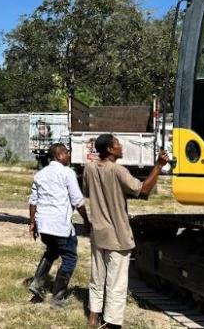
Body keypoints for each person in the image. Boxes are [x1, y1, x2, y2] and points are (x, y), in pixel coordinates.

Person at [83, 134, 169, 328]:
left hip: (98, 232)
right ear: (110, 150)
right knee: (116, 282)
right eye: (118, 144)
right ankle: (112, 322)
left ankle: (93, 316)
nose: (121, 147)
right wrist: (158, 166)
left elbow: (90, 192)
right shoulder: (118, 170)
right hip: (117, 235)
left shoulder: (89, 168)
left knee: (97, 276)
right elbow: (143, 190)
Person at [27, 142, 90, 306]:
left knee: (51, 251)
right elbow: (77, 200)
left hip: (44, 226)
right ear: (58, 155)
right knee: (70, 258)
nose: (68, 155)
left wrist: (32, 223)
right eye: (66, 153)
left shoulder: (40, 175)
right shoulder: (67, 173)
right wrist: (87, 220)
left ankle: (37, 284)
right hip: (60, 226)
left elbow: (33, 202)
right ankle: (58, 297)